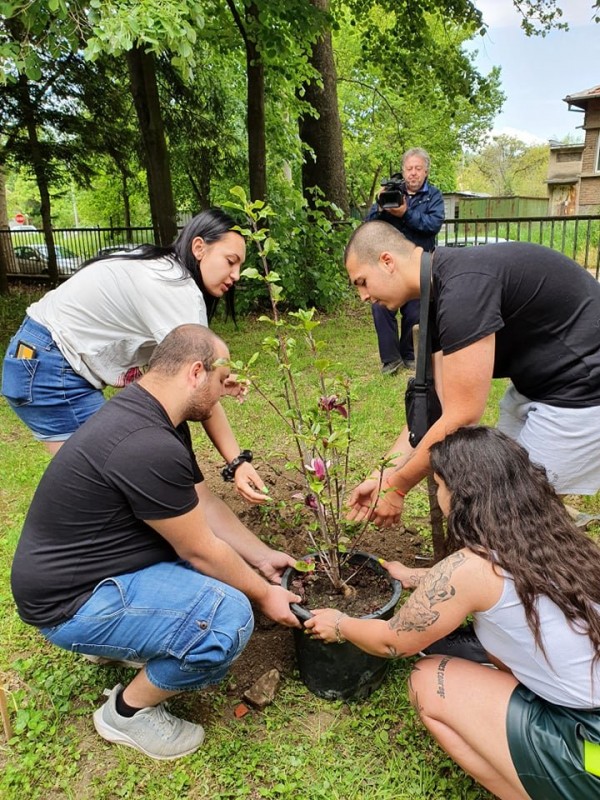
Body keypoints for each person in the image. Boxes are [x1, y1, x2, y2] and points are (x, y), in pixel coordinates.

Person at [10, 324, 301, 761]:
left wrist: (261, 557)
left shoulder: (153, 413)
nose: (222, 396)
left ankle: (122, 640)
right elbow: (200, 550)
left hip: (93, 573)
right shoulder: (146, 443)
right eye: (222, 382)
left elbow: (202, 504)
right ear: (196, 372)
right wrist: (265, 594)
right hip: (70, 605)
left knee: (223, 579)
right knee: (227, 618)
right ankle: (126, 713)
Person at [306, 426, 600, 800]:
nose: (437, 494)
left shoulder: (471, 569)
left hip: (587, 745)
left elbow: (392, 642)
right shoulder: (557, 541)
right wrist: (415, 576)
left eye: (439, 485)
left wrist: (340, 624)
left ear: (461, 496)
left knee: (428, 680)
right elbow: (496, 584)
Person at [344, 221, 600, 527]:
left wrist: (397, 487)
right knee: (497, 491)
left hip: (583, 392)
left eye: (362, 282)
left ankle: (553, 534)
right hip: (538, 386)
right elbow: (435, 409)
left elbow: (463, 415)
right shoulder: (438, 292)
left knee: (514, 516)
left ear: (387, 262)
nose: (363, 296)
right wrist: (383, 475)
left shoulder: (463, 289)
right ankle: (550, 517)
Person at [1, 208, 266, 504]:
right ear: (199, 247)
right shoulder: (175, 288)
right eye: (230, 261)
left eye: (240, 266)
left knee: (111, 480)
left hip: (38, 358)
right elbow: (195, 381)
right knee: (107, 487)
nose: (236, 275)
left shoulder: (161, 267)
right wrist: (237, 462)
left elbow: (175, 380)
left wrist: (218, 380)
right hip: (50, 370)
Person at [367, 147, 444, 374]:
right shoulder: (391, 192)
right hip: (388, 265)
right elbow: (369, 224)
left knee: (414, 311)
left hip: (417, 262)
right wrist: (380, 205)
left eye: (418, 168)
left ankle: (409, 354)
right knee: (381, 307)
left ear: (426, 171)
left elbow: (432, 225)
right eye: (409, 168)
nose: (413, 173)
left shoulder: (434, 196)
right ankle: (391, 360)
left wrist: (405, 213)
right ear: (403, 170)